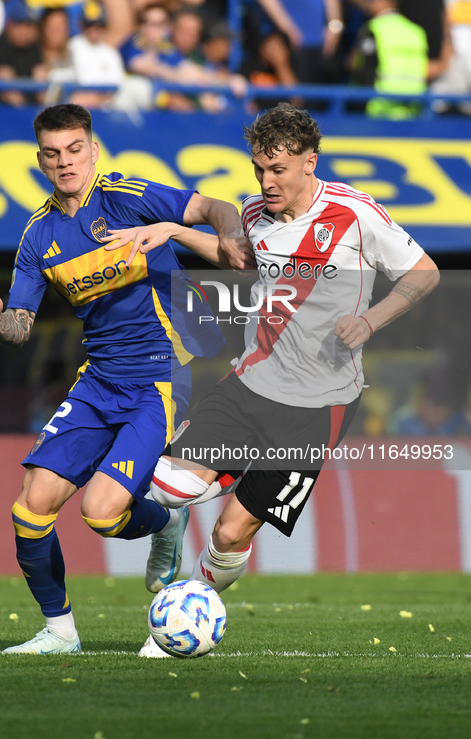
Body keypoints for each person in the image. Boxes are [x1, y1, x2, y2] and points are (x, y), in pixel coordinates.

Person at [104, 102, 440, 657]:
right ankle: (173, 537)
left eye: (277, 169)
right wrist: (170, 230)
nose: (265, 181)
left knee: (229, 535)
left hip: (319, 405)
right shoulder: (256, 215)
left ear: (310, 162)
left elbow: (423, 273)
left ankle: (191, 608)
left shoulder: (355, 215)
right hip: (250, 383)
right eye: (258, 168)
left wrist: (371, 319)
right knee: (166, 486)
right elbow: (234, 255)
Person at [0, 103, 251, 656]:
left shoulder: (126, 196)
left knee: (100, 514)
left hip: (160, 378)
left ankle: (163, 521)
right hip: (98, 382)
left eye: (75, 149)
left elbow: (214, 206)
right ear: (41, 161)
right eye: (53, 154)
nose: (66, 162)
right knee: (30, 506)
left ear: (93, 150)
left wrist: (234, 236)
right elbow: (19, 327)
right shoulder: (38, 237)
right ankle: (59, 632)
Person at [350, 0, 429, 119]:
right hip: (413, 107)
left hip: (379, 107)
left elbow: (363, 69)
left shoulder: (374, 28)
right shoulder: (416, 31)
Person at [0, 0, 46, 107]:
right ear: (10, 25)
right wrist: (28, 115)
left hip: (28, 109)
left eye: (30, 25)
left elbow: (41, 86)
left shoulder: (33, 48)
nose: (26, 31)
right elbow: (7, 90)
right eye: (22, 25)